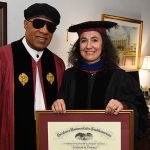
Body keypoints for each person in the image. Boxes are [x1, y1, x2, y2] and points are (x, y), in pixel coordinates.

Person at [51, 21, 148, 143]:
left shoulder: (120, 76)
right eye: (83, 40)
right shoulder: (69, 76)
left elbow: (141, 110)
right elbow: (61, 112)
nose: (88, 46)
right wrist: (57, 104)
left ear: (104, 44)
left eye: (95, 40)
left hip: (108, 143)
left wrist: (124, 106)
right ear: (78, 45)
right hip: (74, 143)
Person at [0, 3, 65, 150]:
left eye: (50, 27)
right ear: (25, 24)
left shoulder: (57, 63)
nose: (44, 30)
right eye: (38, 23)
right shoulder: (4, 57)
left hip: (50, 137)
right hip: (13, 137)